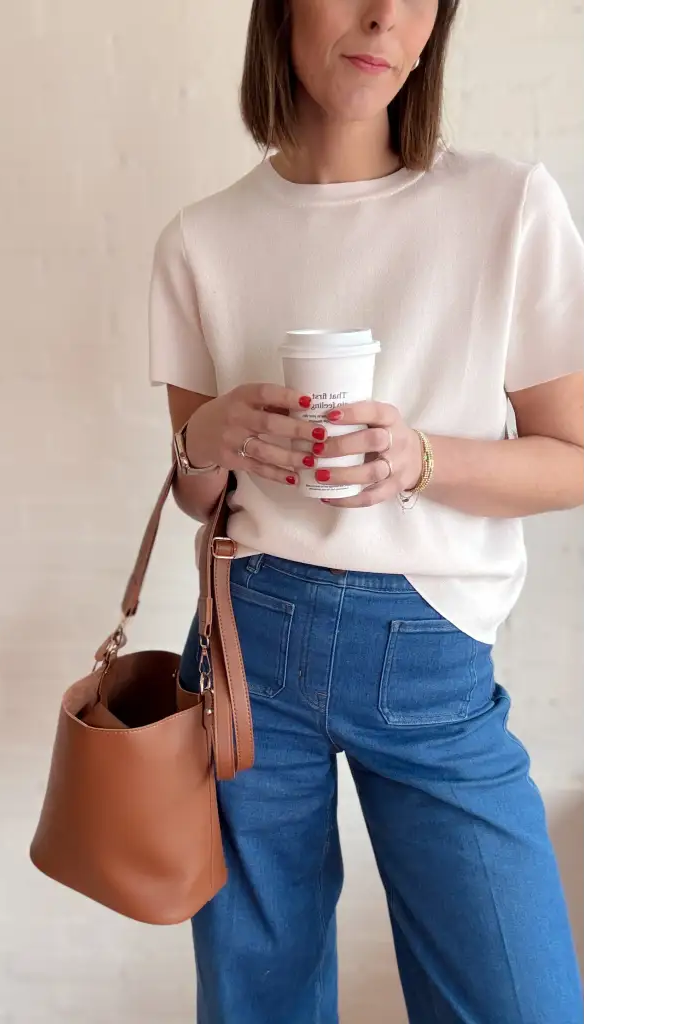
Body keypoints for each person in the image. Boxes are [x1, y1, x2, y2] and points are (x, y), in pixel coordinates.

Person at [147, 1, 586, 1022]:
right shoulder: (200, 240)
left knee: (519, 1001)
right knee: (258, 998)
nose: (384, 14)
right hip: (247, 646)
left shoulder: (508, 207)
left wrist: (421, 459)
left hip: (431, 655)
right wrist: (211, 436)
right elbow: (196, 495)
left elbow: (572, 461)